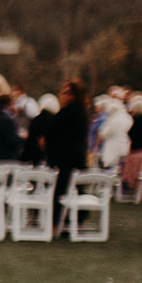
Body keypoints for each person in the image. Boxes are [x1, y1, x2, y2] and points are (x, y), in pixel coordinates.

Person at [47, 80, 91, 236]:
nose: (65, 96)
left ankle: (56, 224)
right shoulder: (82, 112)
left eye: (68, 93)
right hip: (76, 156)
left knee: (61, 191)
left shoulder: (68, 112)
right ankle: (74, 221)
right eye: (64, 92)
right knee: (75, 190)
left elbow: (53, 131)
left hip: (65, 158)